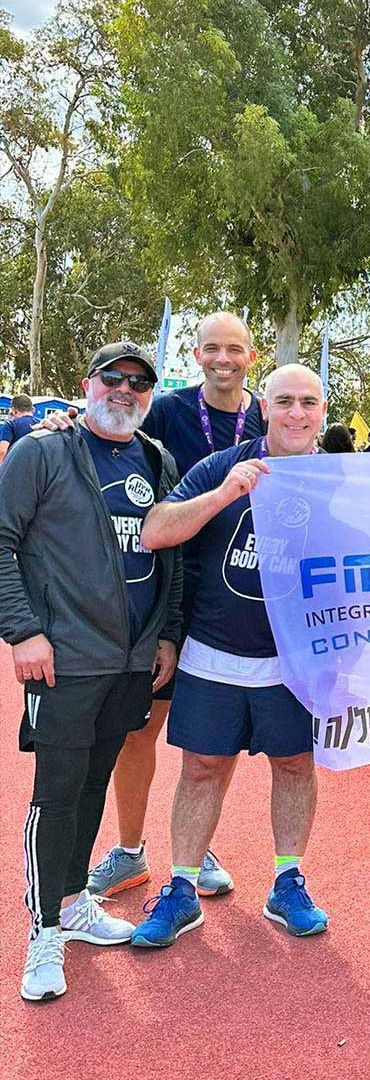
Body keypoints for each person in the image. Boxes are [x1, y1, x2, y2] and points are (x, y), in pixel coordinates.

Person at [0, 341, 183, 1000]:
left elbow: (174, 557)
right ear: (88, 383)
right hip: (64, 661)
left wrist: (164, 635)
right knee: (56, 792)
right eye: (114, 378)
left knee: (93, 784)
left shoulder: (156, 460)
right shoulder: (41, 452)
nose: (126, 389)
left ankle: (75, 902)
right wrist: (23, 631)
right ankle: (44, 930)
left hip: (131, 662)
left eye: (140, 381)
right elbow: (2, 540)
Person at [129, 363, 330, 948]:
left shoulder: (341, 478)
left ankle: (287, 881)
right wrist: (225, 495)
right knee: (201, 769)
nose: (296, 412)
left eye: (308, 402)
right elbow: (155, 530)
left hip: (294, 663)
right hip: (212, 653)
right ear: (263, 406)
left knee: (294, 764)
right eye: (285, 400)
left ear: (322, 412)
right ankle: (183, 889)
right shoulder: (224, 464)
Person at [70, 311, 266, 902]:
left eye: (234, 348)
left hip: (236, 593)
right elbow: (109, 425)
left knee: (214, 740)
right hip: (168, 585)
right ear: (197, 355)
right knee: (141, 727)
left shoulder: (270, 412)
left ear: (251, 357)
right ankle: (130, 851)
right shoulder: (167, 408)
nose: (223, 359)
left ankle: (195, 844)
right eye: (212, 349)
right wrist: (62, 422)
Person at [0, 392, 38, 464]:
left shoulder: (10, 425)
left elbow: (2, 451)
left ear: (14, 410)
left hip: (16, 468)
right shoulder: (42, 424)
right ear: (33, 409)